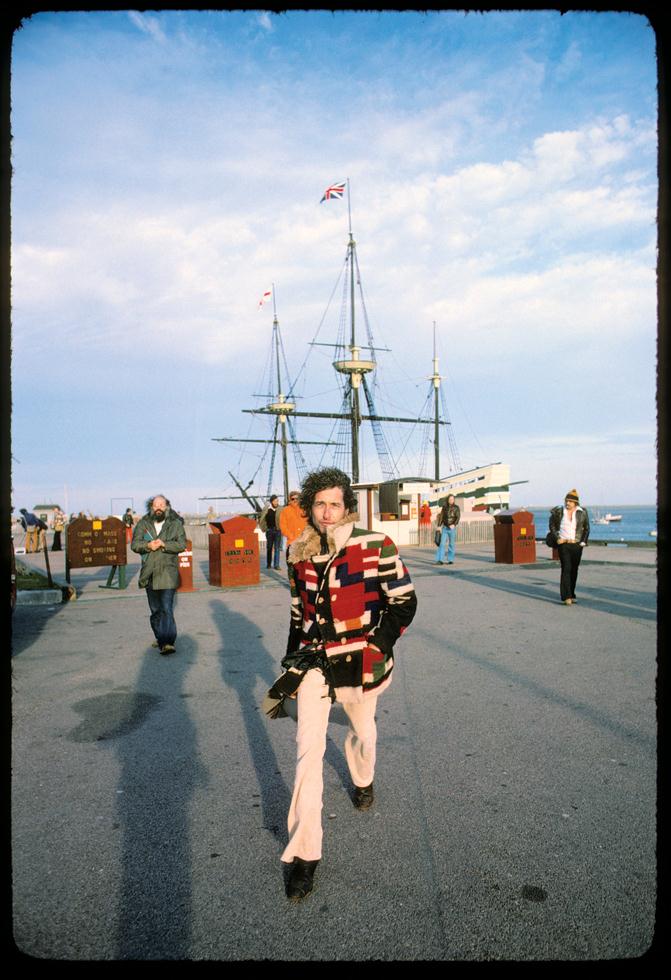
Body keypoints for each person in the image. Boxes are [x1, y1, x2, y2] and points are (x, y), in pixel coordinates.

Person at [263, 467, 417, 902]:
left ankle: (363, 778)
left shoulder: (375, 546)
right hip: (315, 663)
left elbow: (404, 602)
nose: (326, 513)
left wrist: (378, 647)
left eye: (334, 504)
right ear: (309, 509)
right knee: (307, 755)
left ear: (346, 507)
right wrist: (292, 661)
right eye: (319, 504)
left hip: (360, 663)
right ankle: (305, 855)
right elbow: (299, 615)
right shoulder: (299, 554)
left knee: (362, 731)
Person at [131, 495, 187, 654]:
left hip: (168, 572)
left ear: (167, 506)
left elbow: (181, 544)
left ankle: (168, 642)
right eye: (156, 504)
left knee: (166, 608)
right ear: (151, 507)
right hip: (149, 573)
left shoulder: (175, 524)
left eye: (162, 504)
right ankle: (160, 636)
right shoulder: (143, 524)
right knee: (155, 610)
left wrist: (164, 544)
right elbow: (135, 544)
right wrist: (148, 545)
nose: (159, 507)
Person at [548, 489, 590, 605]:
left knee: (574, 570)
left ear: (575, 503)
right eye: (566, 501)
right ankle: (566, 596)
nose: (568, 503)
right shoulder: (560, 511)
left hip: (577, 545)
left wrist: (583, 542)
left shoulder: (582, 512)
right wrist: (557, 538)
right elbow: (552, 525)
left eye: (570, 501)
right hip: (564, 544)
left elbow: (587, 528)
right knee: (566, 568)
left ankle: (572, 593)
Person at [278, 489, 307, 566]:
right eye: (293, 499)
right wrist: (290, 536)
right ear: (290, 499)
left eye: (297, 498)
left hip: (304, 542)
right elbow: (283, 526)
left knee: (304, 566)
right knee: (291, 566)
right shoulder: (285, 510)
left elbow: (309, 524)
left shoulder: (305, 510)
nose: (295, 500)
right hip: (291, 542)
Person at [435, 493, 460, 565]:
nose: (451, 500)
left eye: (452, 499)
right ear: (448, 500)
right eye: (450, 499)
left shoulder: (456, 508)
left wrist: (454, 524)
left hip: (452, 529)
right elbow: (441, 517)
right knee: (441, 544)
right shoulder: (444, 507)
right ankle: (440, 560)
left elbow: (458, 517)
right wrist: (439, 526)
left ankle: (450, 559)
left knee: (451, 544)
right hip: (445, 528)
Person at [259, 494, 282, 570]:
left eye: (277, 501)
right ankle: (269, 564)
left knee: (277, 548)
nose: (277, 502)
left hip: (278, 530)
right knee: (269, 547)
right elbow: (262, 519)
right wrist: (264, 529)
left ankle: (276, 565)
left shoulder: (280, 509)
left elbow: (283, 519)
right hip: (269, 530)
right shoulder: (266, 508)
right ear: (272, 501)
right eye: (275, 501)